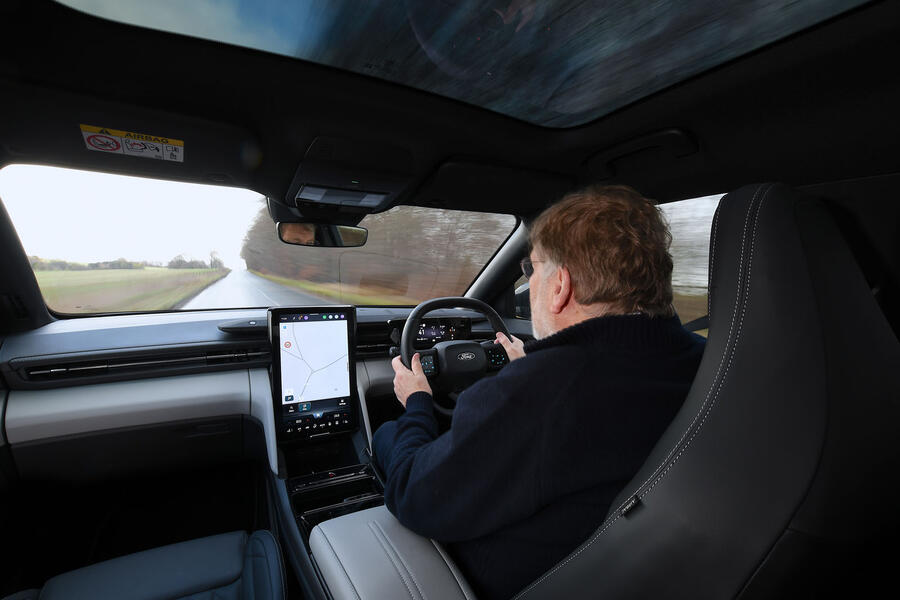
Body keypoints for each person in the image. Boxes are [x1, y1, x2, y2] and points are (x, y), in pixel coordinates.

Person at [372, 185, 706, 599]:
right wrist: (530, 373)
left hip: (500, 582)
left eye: (531, 270)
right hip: (632, 573)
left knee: (381, 457)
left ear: (560, 285)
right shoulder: (706, 361)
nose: (529, 285)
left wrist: (417, 403)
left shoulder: (540, 392)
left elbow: (411, 493)